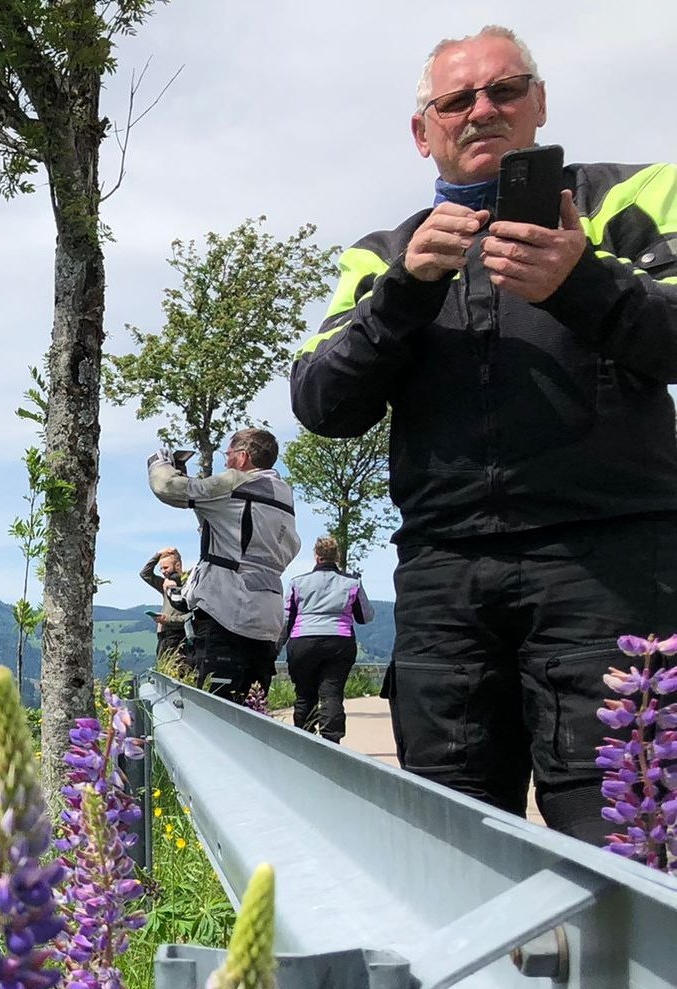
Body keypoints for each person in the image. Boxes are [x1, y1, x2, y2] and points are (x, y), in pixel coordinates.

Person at [291, 26, 677, 840]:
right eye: (456, 100)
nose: (482, 111)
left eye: (504, 90)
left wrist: (583, 282)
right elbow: (322, 403)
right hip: (444, 576)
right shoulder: (384, 254)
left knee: (627, 834)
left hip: (611, 565)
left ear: (539, 102)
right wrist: (405, 292)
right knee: (450, 838)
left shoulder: (630, 196)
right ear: (422, 130)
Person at [147, 429, 301, 703]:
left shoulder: (235, 483)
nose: (226, 462)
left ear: (243, 457)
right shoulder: (282, 494)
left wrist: (159, 462)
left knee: (216, 709)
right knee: (253, 709)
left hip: (226, 612)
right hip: (267, 617)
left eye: (228, 455)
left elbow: (168, 487)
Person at [281, 535, 374, 743]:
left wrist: (277, 645)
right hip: (339, 641)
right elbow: (366, 616)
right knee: (332, 694)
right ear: (337, 556)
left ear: (316, 556)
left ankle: (304, 739)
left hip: (303, 641)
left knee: (304, 694)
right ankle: (332, 742)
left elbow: (287, 618)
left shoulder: (297, 582)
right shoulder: (352, 583)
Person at [139, 547, 192, 667]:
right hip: (164, 636)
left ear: (177, 565)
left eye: (166, 567)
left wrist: (167, 619)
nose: (163, 572)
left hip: (181, 636)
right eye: (161, 568)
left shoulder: (189, 586)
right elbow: (145, 574)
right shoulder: (165, 585)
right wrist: (158, 554)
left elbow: (191, 616)